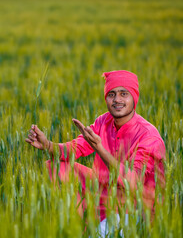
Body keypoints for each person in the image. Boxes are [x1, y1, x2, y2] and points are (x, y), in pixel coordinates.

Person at [25, 70, 166, 236]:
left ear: (134, 97)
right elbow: (77, 147)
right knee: (54, 167)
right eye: (111, 94)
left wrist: (100, 149)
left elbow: (133, 183)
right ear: (106, 98)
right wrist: (48, 145)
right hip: (103, 196)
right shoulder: (103, 121)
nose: (117, 100)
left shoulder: (148, 136)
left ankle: (88, 228)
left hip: (135, 208)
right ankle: (77, 225)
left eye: (124, 94)